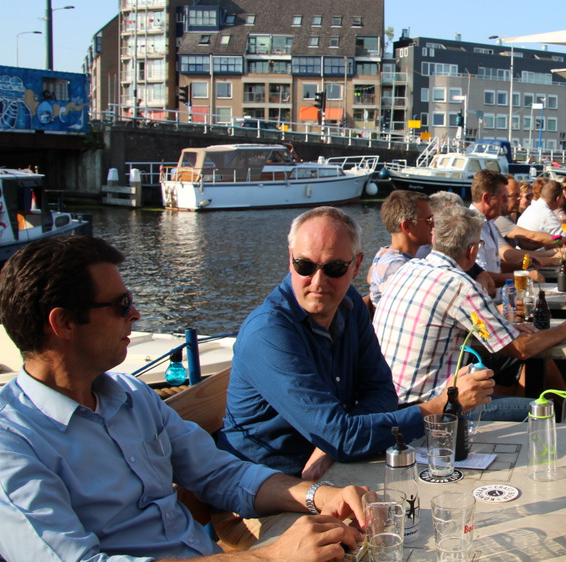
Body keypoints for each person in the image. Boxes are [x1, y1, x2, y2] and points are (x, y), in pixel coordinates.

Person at [0, 236, 368, 562]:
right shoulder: (13, 446)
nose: (135, 314)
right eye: (121, 304)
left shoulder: (131, 396)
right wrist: (270, 558)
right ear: (63, 324)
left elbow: (220, 473)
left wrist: (320, 495)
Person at [217, 207, 493, 477]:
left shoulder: (349, 305)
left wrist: (330, 443)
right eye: (305, 266)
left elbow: (381, 392)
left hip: (335, 466)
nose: (318, 281)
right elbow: (342, 437)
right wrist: (439, 407)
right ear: (290, 259)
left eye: (334, 268)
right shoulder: (268, 333)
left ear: (356, 266)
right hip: (270, 482)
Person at [374, 204, 566, 408]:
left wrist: (504, 326)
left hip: (386, 399)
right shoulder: (460, 286)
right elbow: (521, 349)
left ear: (434, 239)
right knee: (539, 408)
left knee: (519, 379)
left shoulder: (409, 268)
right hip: (431, 409)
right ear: (471, 251)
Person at [367, 190, 433, 306]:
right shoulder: (399, 268)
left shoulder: (383, 254)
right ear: (407, 226)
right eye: (429, 220)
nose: (434, 225)